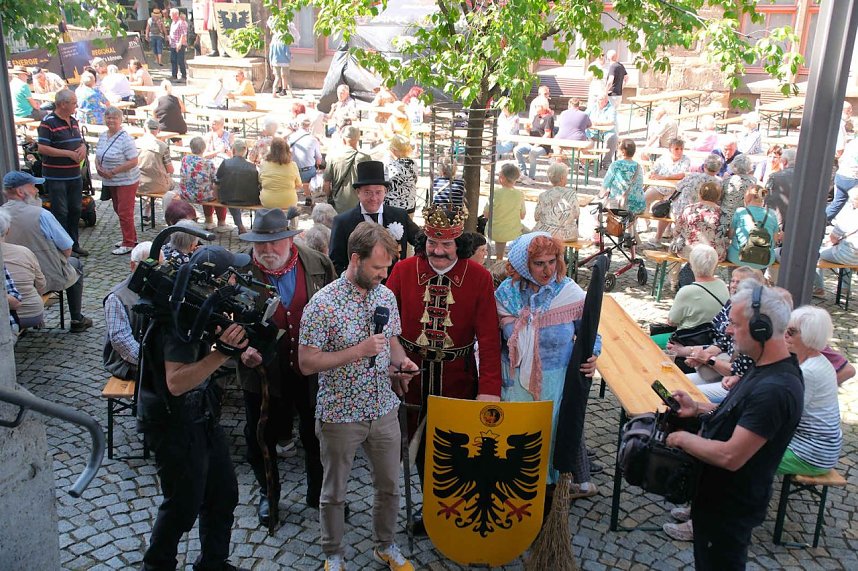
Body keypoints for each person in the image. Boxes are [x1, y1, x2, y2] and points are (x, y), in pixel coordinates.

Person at [298, 223, 418, 571]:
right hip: (340, 413)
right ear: (355, 259)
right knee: (334, 491)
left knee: (390, 486)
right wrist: (358, 351)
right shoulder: (322, 304)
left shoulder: (385, 296)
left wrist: (402, 362)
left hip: (383, 408)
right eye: (377, 267)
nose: (384, 275)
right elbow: (307, 362)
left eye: (387, 267)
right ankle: (334, 555)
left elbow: (392, 341)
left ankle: (386, 545)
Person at [666, 282, 803, 570]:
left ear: (761, 329)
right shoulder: (761, 366)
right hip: (716, 499)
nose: (728, 331)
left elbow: (731, 455)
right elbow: (737, 412)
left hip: (730, 506)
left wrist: (680, 439)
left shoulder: (776, 389)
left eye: (735, 324)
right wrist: (698, 408)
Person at [385, 203, 503, 535]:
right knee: (417, 449)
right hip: (410, 379)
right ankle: (431, 511)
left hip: (458, 380)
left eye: (446, 244)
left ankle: (454, 509)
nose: (437, 251)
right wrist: (390, 364)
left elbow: (489, 338)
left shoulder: (478, 277)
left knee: (456, 449)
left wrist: (489, 389)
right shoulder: (403, 270)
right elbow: (385, 322)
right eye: (432, 242)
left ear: (459, 244)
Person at [138, 245, 257, 571]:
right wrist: (223, 352)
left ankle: (213, 564)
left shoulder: (196, 307)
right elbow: (176, 382)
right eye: (231, 274)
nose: (235, 280)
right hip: (172, 423)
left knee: (223, 493)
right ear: (213, 280)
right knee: (182, 505)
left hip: (200, 414)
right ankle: (157, 566)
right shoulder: (179, 318)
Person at [237, 208, 335, 526]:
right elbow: (221, 321)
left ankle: (319, 493)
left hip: (311, 371)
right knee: (261, 436)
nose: (267, 250)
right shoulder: (239, 269)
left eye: (274, 243)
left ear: (290, 240)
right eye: (260, 244)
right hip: (262, 373)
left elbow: (336, 308)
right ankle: (269, 494)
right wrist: (241, 350)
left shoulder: (318, 264)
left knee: (316, 434)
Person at [495, 232, 601, 498]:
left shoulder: (569, 292)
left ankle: (548, 491)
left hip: (555, 381)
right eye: (539, 263)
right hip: (514, 382)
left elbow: (590, 334)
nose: (547, 270)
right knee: (517, 438)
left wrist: (592, 355)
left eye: (552, 261)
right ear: (524, 265)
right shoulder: (506, 294)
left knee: (550, 436)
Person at [1, 171, 92, 332]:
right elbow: (67, 248)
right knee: (75, 264)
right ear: (20, 191)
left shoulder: (1, 215)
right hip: (44, 277)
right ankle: (76, 318)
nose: (37, 190)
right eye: (33, 186)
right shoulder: (42, 214)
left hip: (10, 279)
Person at [667, 266, 764, 404]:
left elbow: (736, 371)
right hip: (725, 374)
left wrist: (707, 359)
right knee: (673, 383)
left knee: (682, 394)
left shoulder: (753, 330)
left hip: (740, 386)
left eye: (738, 282)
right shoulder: (734, 306)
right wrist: (698, 356)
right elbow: (721, 343)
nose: (733, 286)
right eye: (733, 281)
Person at [778, 306, 842, 477]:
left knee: (745, 458)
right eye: (785, 329)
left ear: (809, 336)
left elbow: (786, 414)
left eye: (791, 332)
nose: (785, 335)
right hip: (815, 446)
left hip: (811, 454)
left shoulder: (808, 371)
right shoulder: (816, 361)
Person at [329, 160, 419, 275]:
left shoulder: (400, 216)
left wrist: (411, 269)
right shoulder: (342, 222)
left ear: (385, 191)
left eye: (378, 192)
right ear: (358, 192)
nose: (373, 198)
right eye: (367, 192)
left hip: (393, 282)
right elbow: (336, 262)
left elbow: (421, 241)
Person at [37, 88, 89, 257]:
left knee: (75, 210)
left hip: (74, 175)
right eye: (74, 103)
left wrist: (83, 147)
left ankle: (74, 244)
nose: (76, 106)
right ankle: (63, 248)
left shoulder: (73, 120)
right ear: (62, 104)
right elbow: (42, 148)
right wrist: (67, 154)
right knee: (60, 212)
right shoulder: (48, 123)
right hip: (56, 177)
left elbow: (79, 141)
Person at [103, 242, 155, 381]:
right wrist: (150, 361)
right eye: (148, 267)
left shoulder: (161, 288)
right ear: (133, 266)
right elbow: (121, 340)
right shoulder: (117, 297)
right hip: (128, 364)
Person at [95, 107, 140, 255]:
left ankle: (128, 243)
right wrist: (98, 168)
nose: (111, 120)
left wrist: (113, 171)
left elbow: (133, 161)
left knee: (125, 212)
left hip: (126, 181)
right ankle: (131, 237)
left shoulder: (126, 139)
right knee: (118, 209)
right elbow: (98, 155)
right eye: (108, 117)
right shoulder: (103, 136)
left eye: (114, 118)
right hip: (110, 181)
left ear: (121, 120)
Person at [0, 209, 46, 331]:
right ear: (8, 230)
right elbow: (41, 284)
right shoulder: (24, 252)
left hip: (12, 312)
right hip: (31, 313)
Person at [667, 244, 729, 332]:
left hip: (688, 337)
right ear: (715, 265)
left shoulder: (686, 291)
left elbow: (672, 321)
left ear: (691, 265)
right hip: (715, 336)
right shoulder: (722, 285)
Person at [644, 138, 690, 243]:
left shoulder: (685, 160)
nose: (679, 151)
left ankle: (660, 235)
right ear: (670, 149)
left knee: (666, 208)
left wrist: (663, 177)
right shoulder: (663, 158)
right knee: (644, 198)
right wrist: (650, 174)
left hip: (674, 191)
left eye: (681, 149)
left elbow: (682, 175)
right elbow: (654, 170)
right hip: (659, 188)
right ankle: (646, 222)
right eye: (676, 149)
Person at [815, 186, 858, 296]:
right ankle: (845, 287)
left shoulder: (850, 217)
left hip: (846, 255)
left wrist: (830, 243)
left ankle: (818, 287)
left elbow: (833, 238)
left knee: (815, 255)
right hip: (854, 256)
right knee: (846, 253)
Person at [179, 136, 228, 231]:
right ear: (204, 148)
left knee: (205, 188)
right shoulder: (208, 163)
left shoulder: (185, 159)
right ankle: (221, 223)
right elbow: (216, 180)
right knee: (218, 191)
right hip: (202, 196)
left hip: (186, 193)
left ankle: (209, 221)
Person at [727, 185, 780, 271]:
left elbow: (730, 235)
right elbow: (775, 239)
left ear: (747, 197)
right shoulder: (772, 214)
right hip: (764, 259)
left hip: (738, 257)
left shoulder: (740, 211)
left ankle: (734, 278)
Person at [216, 139, 261, 234]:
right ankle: (256, 227)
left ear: (233, 150)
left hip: (228, 199)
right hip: (250, 200)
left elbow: (217, 181)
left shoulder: (225, 163)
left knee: (232, 197)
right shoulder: (252, 167)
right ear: (245, 151)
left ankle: (240, 226)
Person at [324, 126, 372, 213]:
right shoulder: (365, 158)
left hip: (338, 205)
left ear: (343, 140)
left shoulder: (333, 157)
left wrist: (329, 198)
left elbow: (326, 183)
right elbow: (370, 183)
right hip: (359, 206)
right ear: (358, 139)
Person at [486, 163, 525, 259]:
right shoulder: (520, 194)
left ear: (502, 178)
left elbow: (486, 214)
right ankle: (515, 257)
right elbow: (522, 216)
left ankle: (499, 258)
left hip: (494, 231)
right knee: (527, 233)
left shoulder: (495, 193)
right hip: (513, 231)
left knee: (501, 232)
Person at [137, 119, 175, 220]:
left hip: (138, 184)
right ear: (158, 130)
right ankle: (168, 215)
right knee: (172, 185)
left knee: (150, 180)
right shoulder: (163, 146)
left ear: (144, 129)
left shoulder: (134, 143)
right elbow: (170, 170)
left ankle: (146, 212)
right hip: (158, 185)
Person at [533, 163, 579, 241]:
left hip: (544, 233)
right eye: (566, 177)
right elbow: (576, 214)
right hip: (566, 235)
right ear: (562, 178)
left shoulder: (543, 195)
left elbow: (536, 217)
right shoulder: (571, 194)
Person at [672, 153, 723, 222]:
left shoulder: (692, 176)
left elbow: (678, 187)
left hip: (681, 212)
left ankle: (664, 228)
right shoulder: (720, 183)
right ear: (718, 169)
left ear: (705, 165)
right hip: (704, 216)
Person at [600, 138, 645, 215]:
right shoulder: (638, 166)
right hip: (638, 205)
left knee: (600, 208)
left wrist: (600, 196)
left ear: (623, 151)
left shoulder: (615, 165)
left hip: (620, 205)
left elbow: (605, 184)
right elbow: (639, 184)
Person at [514, 101, 554, 183]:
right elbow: (532, 131)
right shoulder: (536, 116)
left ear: (543, 107)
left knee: (532, 153)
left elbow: (547, 134)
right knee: (517, 150)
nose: (535, 108)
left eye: (537, 106)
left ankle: (531, 177)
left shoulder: (548, 118)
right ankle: (523, 173)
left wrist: (537, 144)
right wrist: (527, 129)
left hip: (543, 146)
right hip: (532, 143)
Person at [259, 137, 302, 209]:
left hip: (268, 201)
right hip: (289, 201)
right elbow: (298, 185)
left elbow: (260, 181)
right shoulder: (292, 165)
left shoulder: (264, 163)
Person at [286, 114, 323, 188]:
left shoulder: (290, 137)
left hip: (293, 170)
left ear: (298, 124)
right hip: (308, 172)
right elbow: (319, 161)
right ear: (309, 125)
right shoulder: (313, 139)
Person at [826, 136, 858, 223]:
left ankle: (820, 221)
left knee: (837, 204)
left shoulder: (852, 142)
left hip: (841, 175)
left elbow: (841, 159)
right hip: (853, 178)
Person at [720, 153, 757, 227]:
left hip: (726, 217)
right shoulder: (753, 181)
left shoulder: (727, 180)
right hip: (742, 217)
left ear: (734, 165)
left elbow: (721, 197)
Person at [384, 135, 418, 215]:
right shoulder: (413, 163)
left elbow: (385, 186)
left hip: (394, 207)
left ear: (394, 150)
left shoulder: (391, 166)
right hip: (410, 205)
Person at [586, 93, 619, 167]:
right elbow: (585, 116)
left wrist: (599, 123)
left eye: (600, 100)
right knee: (582, 135)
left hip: (606, 132)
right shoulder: (593, 106)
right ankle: (588, 159)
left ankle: (606, 161)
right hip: (592, 131)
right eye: (597, 100)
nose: (598, 102)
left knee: (613, 138)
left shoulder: (611, 108)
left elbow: (612, 121)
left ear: (606, 101)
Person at [269, 15, 298, 97]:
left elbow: (271, 53)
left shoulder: (273, 41)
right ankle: (291, 93)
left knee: (277, 77)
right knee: (287, 77)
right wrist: (290, 58)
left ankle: (274, 93)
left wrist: (271, 61)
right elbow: (286, 53)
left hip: (275, 61)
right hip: (284, 61)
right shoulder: (284, 40)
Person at [168, 7, 188, 82]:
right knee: (173, 60)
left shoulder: (181, 22)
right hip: (173, 44)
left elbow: (183, 34)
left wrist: (180, 43)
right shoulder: (173, 23)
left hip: (180, 44)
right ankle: (174, 75)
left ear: (175, 14)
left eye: (171, 14)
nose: (170, 15)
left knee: (180, 60)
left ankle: (184, 76)